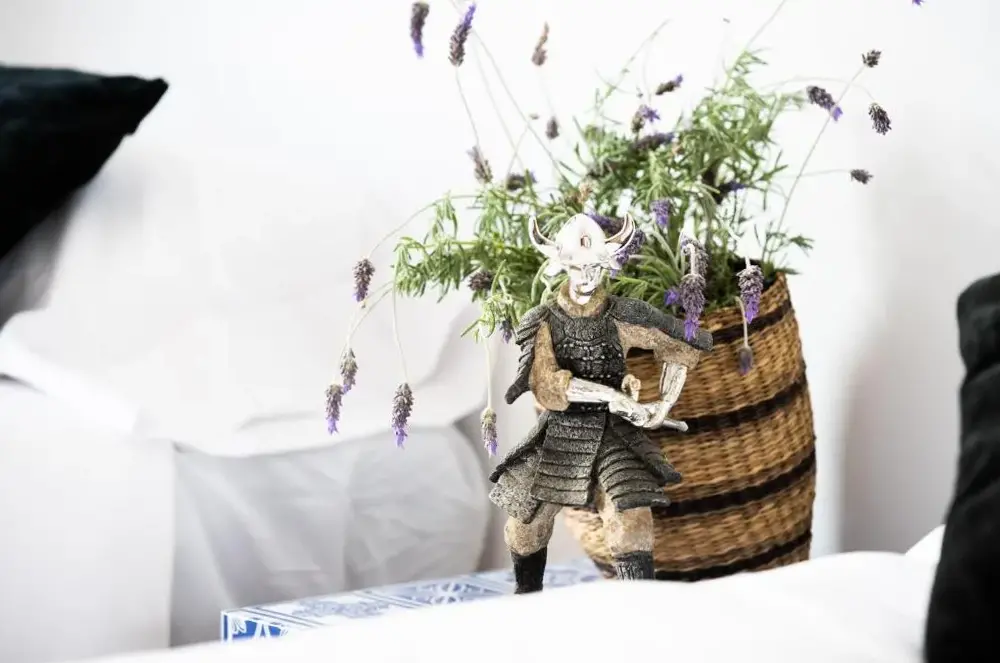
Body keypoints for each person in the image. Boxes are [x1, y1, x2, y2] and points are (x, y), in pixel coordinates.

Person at [488, 213, 712, 591]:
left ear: (606, 263)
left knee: (631, 522)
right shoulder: (543, 321)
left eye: (594, 266)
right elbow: (547, 383)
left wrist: (662, 405)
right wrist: (613, 397)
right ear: (561, 264)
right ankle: (527, 600)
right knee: (524, 525)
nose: (587, 275)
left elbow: (681, 344)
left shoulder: (623, 314)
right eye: (578, 267)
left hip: (614, 433)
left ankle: (638, 610)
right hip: (561, 431)